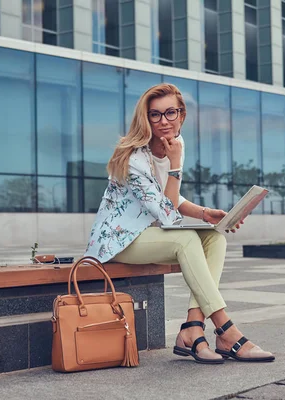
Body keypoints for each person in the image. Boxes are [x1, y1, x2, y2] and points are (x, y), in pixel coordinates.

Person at [84, 83, 274, 364]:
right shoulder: (134, 158)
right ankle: (226, 330)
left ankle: (192, 327)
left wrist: (205, 214)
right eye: (155, 115)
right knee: (186, 239)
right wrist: (175, 165)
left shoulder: (175, 144)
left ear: (181, 115)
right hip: (119, 242)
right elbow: (167, 213)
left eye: (170, 113)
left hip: (148, 234)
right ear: (145, 118)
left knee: (215, 237)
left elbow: (168, 196)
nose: (164, 121)